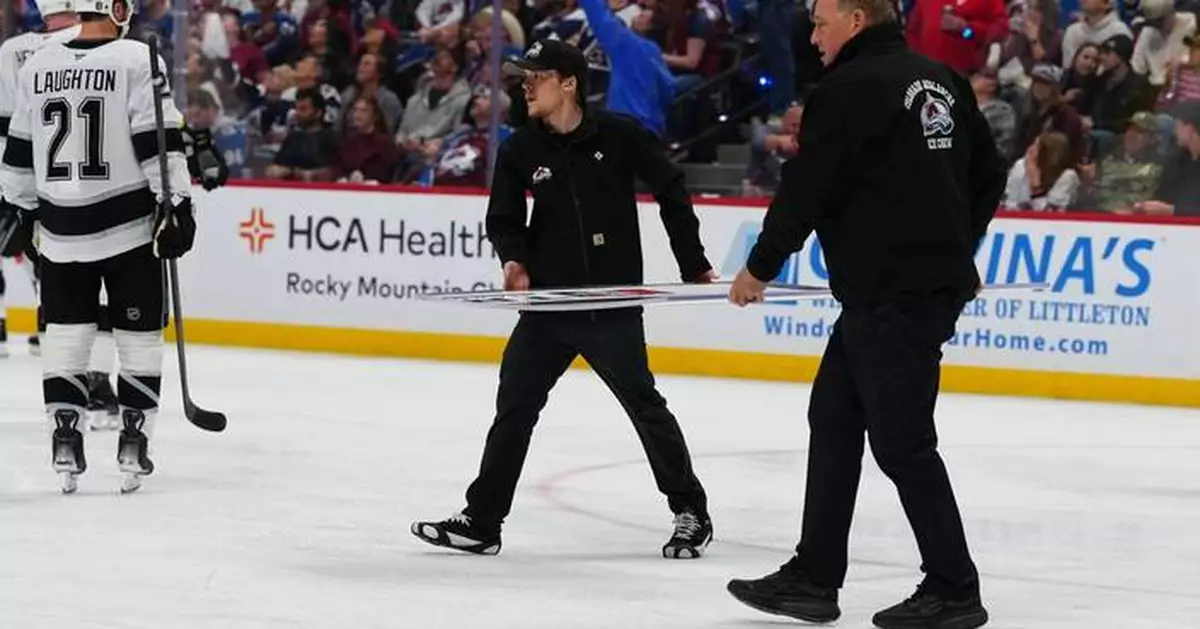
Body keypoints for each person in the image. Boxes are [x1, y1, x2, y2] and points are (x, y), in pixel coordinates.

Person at [724, 0, 1006, 627]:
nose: (813, 36)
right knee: (833, 418)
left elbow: (806, 188)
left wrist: (759, 267)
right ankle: (814, 575)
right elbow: (989, 173)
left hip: (892, 295)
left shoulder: (847, 89)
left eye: (820, 23)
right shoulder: (942, 78)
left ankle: (954, 588)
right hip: (891, 294)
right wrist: (956, 244)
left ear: (856, 20)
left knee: (903, 443)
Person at [411, 39, 717, 559]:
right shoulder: (520, 149)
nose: (526, 87)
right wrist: (514, 260)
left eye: (537, 77)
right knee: (514, 408)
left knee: (644, 406)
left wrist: (692, 261)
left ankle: (691, 510)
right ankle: (483, 521)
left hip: (609, 306)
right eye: (524, 78)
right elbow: (504, 220)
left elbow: (670, 186)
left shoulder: (619, 135)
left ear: (569, 83)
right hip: (549, 307)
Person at [0, 0, 196, 495]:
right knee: (139, 338)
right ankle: (133, 442)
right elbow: (157, 141)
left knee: (65, 338)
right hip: (127, 226)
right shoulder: (137, 58)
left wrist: (19, 207)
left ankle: (65, 441)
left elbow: (18, 150)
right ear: (115, 7)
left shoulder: (38, 64)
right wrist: (176, 203)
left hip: (59, 230)